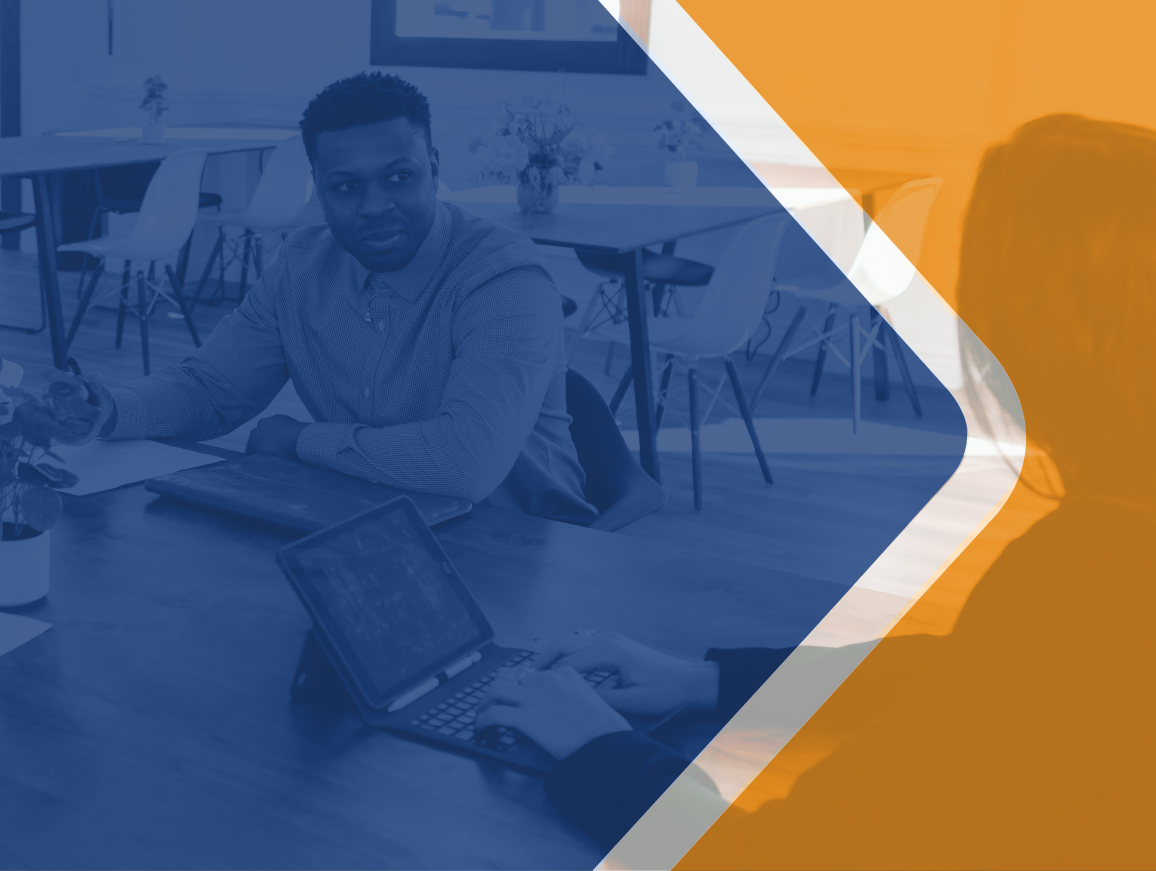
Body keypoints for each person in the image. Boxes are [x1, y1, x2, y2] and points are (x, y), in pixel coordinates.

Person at [476, 114, 1156, 866]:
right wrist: (707, 679)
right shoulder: (1112, 555)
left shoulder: (1093, 579)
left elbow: (784, 851)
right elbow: (981, 671)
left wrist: (596, 744)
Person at [89, 72, 594, 521]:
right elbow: (211, 390)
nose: (375, 206)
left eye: (399, 177)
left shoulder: (504, 276)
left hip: (515, 540)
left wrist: (299, 440)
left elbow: (464, 464)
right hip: (362, 518)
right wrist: (107, 411)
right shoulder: (302, 265)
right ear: (320, 189)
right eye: (346, 186)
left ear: (433, 167)